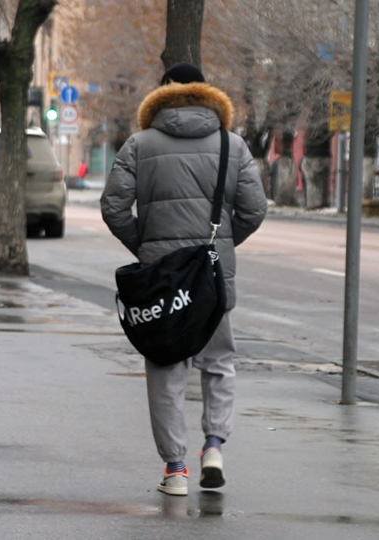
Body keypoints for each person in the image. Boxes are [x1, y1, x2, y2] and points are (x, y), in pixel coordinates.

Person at [100, 63, 267, 497]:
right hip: (213, 280)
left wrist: (148, 247)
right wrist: (221, 247)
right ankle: (214, 446)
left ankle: (175, 469)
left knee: (166, 370)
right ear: (206, 93)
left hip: (163, 282)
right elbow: (254, 210)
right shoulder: (233, 145)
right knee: (219, 364)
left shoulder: (138, 145)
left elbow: (113, 208)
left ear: (161, 97)